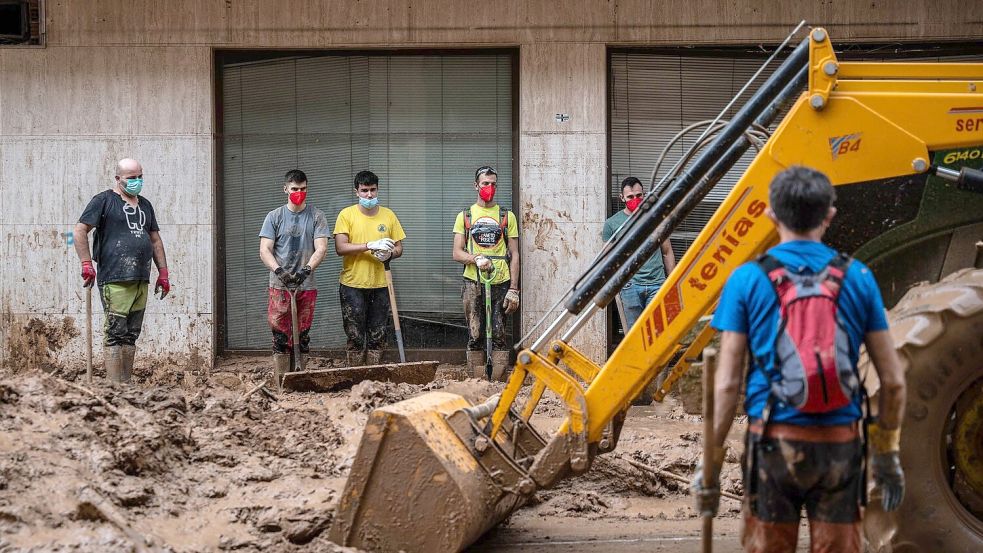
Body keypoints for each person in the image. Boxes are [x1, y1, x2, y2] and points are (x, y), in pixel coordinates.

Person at [693, 166, 906, 552]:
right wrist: (887, 456)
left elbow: (726, 384)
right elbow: (892, 380)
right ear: (829, 216)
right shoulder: (857, 277)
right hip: (841, 445)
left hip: (773, 444)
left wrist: (710, 464)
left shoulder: (747, 280)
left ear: (771, 215)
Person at [74, 158, 170, 383]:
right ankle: (115, 389)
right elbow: (80, 230)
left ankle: (126, 386)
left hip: (140, 278)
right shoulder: (104, 200)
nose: (137, 181)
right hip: (115, 278)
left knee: (130, 335)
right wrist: (86, 263)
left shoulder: (145, 205)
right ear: (118, 179)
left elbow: (155, 240)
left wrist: (163, 273)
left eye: (140, 177)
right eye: (131, 178)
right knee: (116, 333)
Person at [259, 169, 330, 384]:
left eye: (303, 189)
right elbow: (264, 249)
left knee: (303, 334)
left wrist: (306, 270)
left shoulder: (316, 216)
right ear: (286, 189)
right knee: (280, 335)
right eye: (295, 189)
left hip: (305, 285)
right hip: (280, 286)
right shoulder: (275, 216)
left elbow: (321, 248)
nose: (299, 192)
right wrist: (279, 271)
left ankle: (299, 377)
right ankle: (282, 379)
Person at [452, 165, 520, 380]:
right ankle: (476, 379)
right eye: (485, 184)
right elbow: (456, 252)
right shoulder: (466, 215)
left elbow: (515, 254)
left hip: (500, 281)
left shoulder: (506, 216)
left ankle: (497, 380)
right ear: (476, 186)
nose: (489, 188)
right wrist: (476, 259)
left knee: (499, 333)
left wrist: (514, 289)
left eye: (492, 184)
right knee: (475, 333)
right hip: (473, 281)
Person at [334, 170, 405, 366]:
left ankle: (374, 374)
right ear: (356, 191)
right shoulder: (346, 215)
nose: (369, 195)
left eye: (373, 190)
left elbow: (399, 248)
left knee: (378, 334)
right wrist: (369, 245)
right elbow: (340, 247)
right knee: (355, 335)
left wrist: (390, 254)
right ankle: (355, 373)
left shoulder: (388, 215)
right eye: (364, 190)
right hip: (352, 284)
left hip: (381, 284)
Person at [602, 176, 675, 331]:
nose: (635, 199)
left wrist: (673, 281)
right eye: (630, 197)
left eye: (639, 195)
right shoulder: (612, 224)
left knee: (657, 332)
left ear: (644, 194)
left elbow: (667, 252)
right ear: (622, 197)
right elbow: (608, 259)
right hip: (630, 287)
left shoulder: (656, 218)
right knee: (634, 334)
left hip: (657, 284)